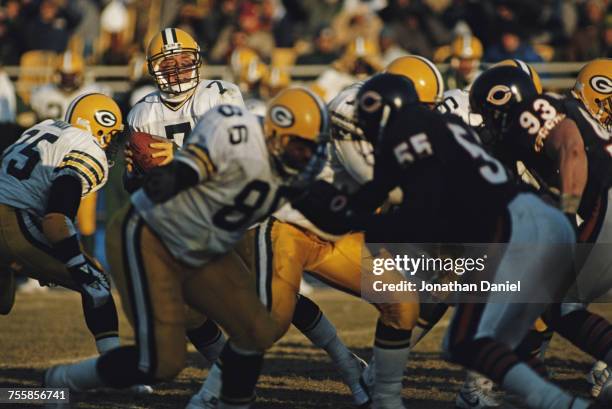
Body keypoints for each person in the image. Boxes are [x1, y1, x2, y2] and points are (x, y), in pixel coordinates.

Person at [293, 73, 595, 409]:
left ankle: (554, 402)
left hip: (506, 230)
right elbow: (379, 196)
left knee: (478, 336)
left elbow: (420, 213)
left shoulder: (407, 136)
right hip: (521, 219)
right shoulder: (443, 124)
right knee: (492, 328)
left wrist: (366, 225)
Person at [44, 87, 329, 409]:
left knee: (255, 330)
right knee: (163, 363)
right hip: (150, 236)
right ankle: (61, 380)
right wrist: (164, 169)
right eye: (302, 148)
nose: (308, 157)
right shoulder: (230, 127)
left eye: (313, 148)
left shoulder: (291, 174)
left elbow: (332, 217)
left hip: (201, 245)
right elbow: (178, 176)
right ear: (278, 135)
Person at [0, 93, 150, 392]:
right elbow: (56, 219)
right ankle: (115, 372)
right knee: (95, 280)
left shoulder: (44, 128)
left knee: (3, 302)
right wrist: (74, 260)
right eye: (111, 135)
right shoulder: (87, 148)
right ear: (99, 127)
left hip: (11, 211)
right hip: (10, 220)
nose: (111, 144)